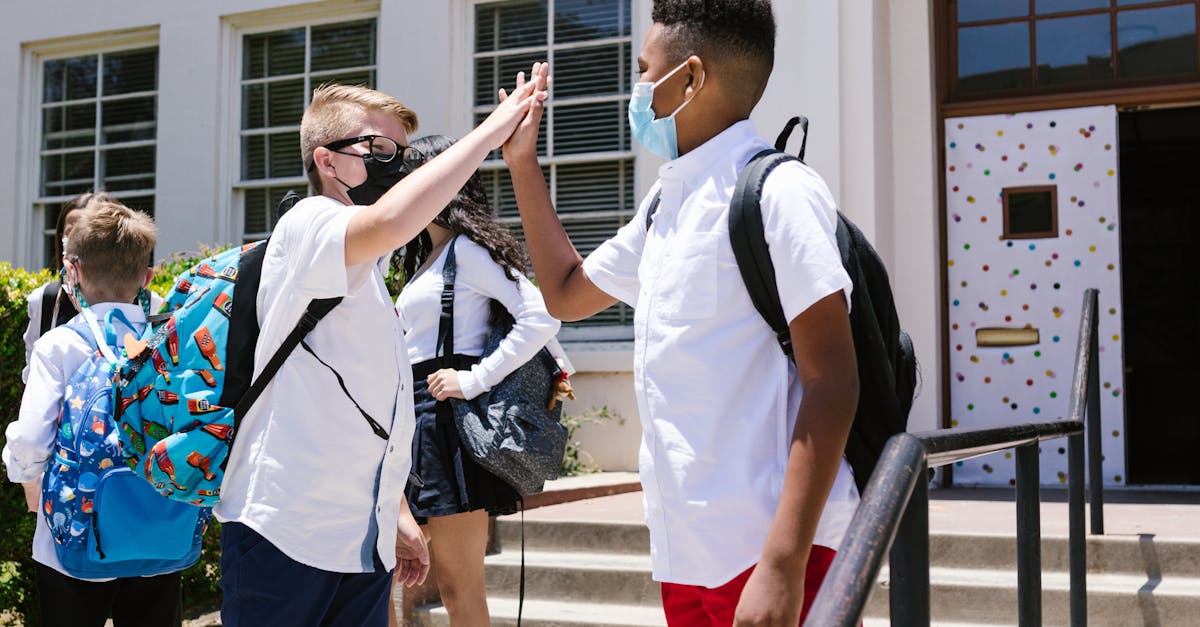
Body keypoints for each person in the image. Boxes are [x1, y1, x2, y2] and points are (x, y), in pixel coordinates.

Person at [505, 2, 860, 625]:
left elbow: (833, 382)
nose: (637, 88)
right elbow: (565, 292)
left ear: (690, 79)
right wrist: (522, 164)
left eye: (645, 71)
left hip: (769, 548)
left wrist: (782, 564)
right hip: (689, 550)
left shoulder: (780, 191)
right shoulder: (667, 201)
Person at [213, 71, 548, 627]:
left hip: (355, 538)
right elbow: (390, 221)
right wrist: (489, 135)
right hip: (284, 529)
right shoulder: (311, 222)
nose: (398, 164)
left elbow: (372, 404)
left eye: (403, 152)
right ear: (327, 161)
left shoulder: (366, 271)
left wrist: (391, 510)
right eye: (380, 149)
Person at [391, 134, 563, 626]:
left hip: (448, 422)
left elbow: (542, 316)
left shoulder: (466, 252)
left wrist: (474, 379)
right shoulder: (423, 256)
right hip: (411, 420)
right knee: (397, 572)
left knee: (456, 583)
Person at [3, 201, 176, 627]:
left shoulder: (59, 345)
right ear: (148, 277)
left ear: (71, 271)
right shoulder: (170, 343)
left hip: (72, 538)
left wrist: (26, 480)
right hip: (161, 531)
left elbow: (28, 441)